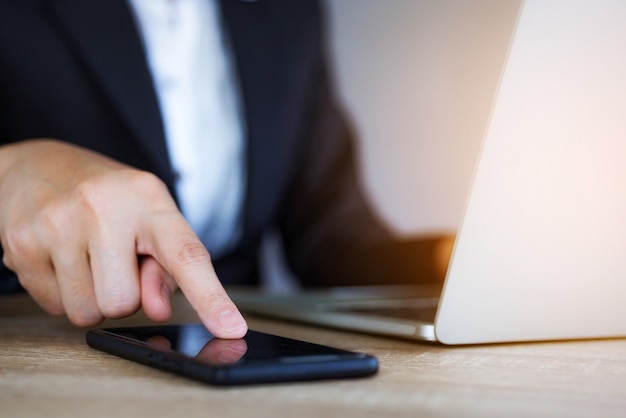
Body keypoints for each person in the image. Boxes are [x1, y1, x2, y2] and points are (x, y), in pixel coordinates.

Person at [0, 0, 453, 338]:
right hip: (37, 346)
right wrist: (8, 171)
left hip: (237, 362)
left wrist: (450, 259)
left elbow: (331, 239)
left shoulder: (291, 13)